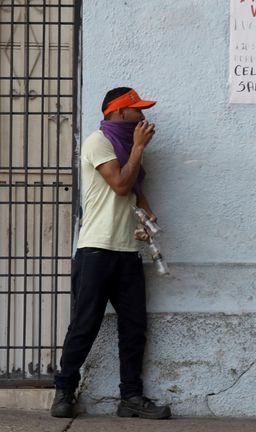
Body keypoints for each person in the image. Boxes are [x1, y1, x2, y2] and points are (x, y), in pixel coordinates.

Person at [50, 87, 171, 419]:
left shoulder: (125, 148)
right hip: (96, 251)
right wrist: (139, 148)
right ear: (119, 114)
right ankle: (64, 391)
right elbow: (119, 182)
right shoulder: (98, 142)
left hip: (127, 251)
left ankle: (130, 398)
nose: (144, 117)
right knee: (85, 324)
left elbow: (131, 192)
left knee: (134, 327)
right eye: (138, 111)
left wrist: (147, 218)